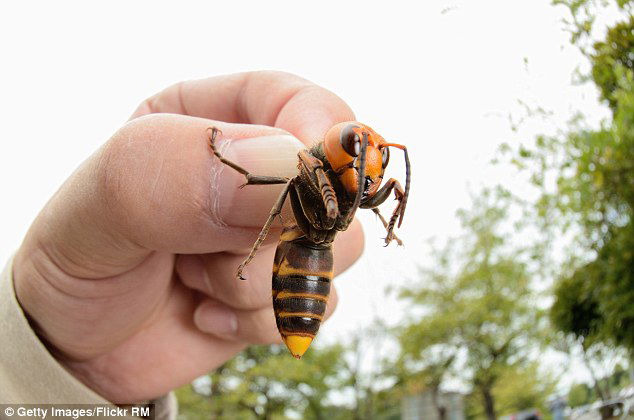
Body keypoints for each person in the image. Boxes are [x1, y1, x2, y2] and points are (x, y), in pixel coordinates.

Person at [0, 71, 365, 418]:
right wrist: (53, 368)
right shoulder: (308, 162)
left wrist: (64, 377)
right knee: (286, 183)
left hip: (310, 261)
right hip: (303, 261)